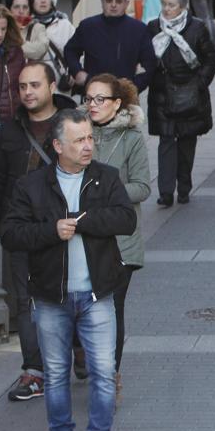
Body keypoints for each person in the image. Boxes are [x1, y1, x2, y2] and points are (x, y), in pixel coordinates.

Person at [0, 108, 135, 431]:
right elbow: (11, 234)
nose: (88, 146)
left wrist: (82, 220)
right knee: (56, 377)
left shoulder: (105, 178)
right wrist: (50, 230)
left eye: (90, 138)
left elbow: (127, 219)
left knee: (104, 375)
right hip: (51, 298)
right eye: (79, 140)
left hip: (97, 296)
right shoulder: (32, 186)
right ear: (58, 145)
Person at [0, 61, 77, 402]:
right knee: (27, 302)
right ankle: (35, 371)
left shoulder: (73, 125)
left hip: (68, 228)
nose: (28, 92)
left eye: (35, 85)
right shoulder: (8, 131)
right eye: (22, 86)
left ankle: (77, 348)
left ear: (52, 87)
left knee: (72, 293)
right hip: (22, 229)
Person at [82, 74, 151, 400]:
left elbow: (143, 186)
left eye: (100, 99)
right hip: (81, 235)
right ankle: (91, 360)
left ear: (117, 103)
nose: (92, 105)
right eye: (89, 98)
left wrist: (109, 190)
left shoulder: (131, 138)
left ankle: (110, 374)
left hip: (119, 239)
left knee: (112, 308)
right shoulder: (77, 134)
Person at [146, 0, 215, 206]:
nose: (167, 9)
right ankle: (166, 191)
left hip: (190, 94)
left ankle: (184, 187)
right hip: (162, 94)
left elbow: (210, 57)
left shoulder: (196, 28)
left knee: (187, 143)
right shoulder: (153, 28)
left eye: (172, 5)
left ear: (182, 7)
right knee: (166, 142)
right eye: (164, 4)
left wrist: (200, 82)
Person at [62, 0, 157, 91]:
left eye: (119, 1)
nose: (113, 5)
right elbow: (70, 50)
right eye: (109, 0)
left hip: (126, 94)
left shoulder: (139, 29)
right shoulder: (88, 26)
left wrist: (134, 87)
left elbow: (149, 63)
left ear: (126, 3)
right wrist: (77, 72)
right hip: (93, 92)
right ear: (102, 2)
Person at [27, 0, 77, 86]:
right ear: (31, 2)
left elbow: (77, 51)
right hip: (32, 80)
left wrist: (75, 72)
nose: (43, 0)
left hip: (60, 80)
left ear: (52, 2)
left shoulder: (65, 25)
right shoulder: (26, 26)